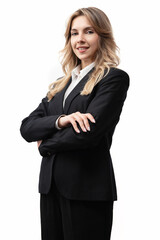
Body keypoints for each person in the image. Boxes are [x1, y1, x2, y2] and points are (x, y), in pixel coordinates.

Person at [20, 7, 129, 240]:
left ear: (102, 35)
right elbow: (27, 127)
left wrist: (45, 145)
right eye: (74, 33)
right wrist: (61, 121)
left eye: (88, 31)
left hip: (87, 190)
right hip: (50, 189)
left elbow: (87, 133)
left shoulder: (113, 78)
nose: (80, 39)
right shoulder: (60, 85)